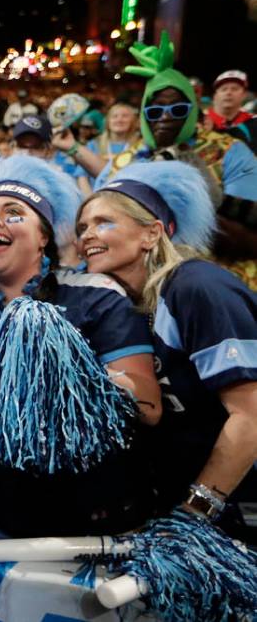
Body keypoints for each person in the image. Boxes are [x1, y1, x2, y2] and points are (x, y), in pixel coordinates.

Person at [0, 154, 162, 539]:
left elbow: (149, 408)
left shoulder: (94, 296)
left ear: (44, 236)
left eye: (13, 212)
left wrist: (72, 370)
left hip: (90, 528)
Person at [76, 160, 257, 541]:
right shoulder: (119, 305)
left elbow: (251, 417)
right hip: (179, 501)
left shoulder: (198, 288)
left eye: (103, 222)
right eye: (82, 227)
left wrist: (194, 514)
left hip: (235, 503)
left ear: (151, 234)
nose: (87, 235)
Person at [94, 32, 257, 290]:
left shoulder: (229, 152)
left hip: (218, 284)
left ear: (193, 110)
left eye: (178, 109)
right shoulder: (127, 160)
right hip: (142, 291)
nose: (166, 118)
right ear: (145, 115)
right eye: (156, 110)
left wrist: (200, 210)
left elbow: (251, 241)